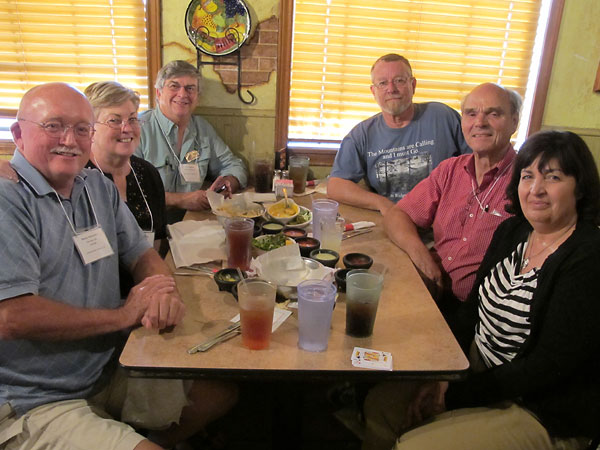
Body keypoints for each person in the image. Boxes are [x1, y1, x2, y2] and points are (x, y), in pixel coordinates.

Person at [0, 83, 237, 450]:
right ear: (18, 134)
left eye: (82, 129)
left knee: (218, 393)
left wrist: (162, 290)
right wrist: (124, 316)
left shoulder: (95, 185)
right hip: (36, 397)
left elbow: (142, 254)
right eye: (53, 126)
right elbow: (12, 316)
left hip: (109, 366)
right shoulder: (8, 199)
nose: (70, 139)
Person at [362, 130, 600, 450]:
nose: (536, 189)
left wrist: (455, 394)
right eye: (527, 176)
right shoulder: (513, 230)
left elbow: (547, 366)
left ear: (580, 187)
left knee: (414, 445)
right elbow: (473, 307)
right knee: (380, 408)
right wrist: (446, 375)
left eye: (553, 177)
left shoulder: (588, 256)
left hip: (540, 407)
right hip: (479, 372)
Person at [384, 83, 521, 316]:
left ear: (514, 122)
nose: (480, 123)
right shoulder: (451, 169)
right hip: (431, 292)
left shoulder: (527, 181)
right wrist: (423, 258)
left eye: (494, 114)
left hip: (479, 313)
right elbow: (398, 215)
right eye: (471, 114)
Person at [327, 54, 471, 214]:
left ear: (413, 85)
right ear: (373, 91)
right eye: (382, 83)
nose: (391, 89)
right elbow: (336, 186)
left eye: (399, 80)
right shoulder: (361, 135)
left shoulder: (443, 117)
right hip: (395, 219)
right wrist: (382, 204)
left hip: (448, 216)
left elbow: (479, 162)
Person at [135, 60, 248, 221]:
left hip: (192, 222)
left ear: (197, 97)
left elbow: (234, 165)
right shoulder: (138, 129)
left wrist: (226, 185)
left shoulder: (203, 129)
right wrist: (181, 200)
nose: (182, 94)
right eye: (174, 86)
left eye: (190, 88)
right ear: (159, 93)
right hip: (148, 225)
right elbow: (129, 191)